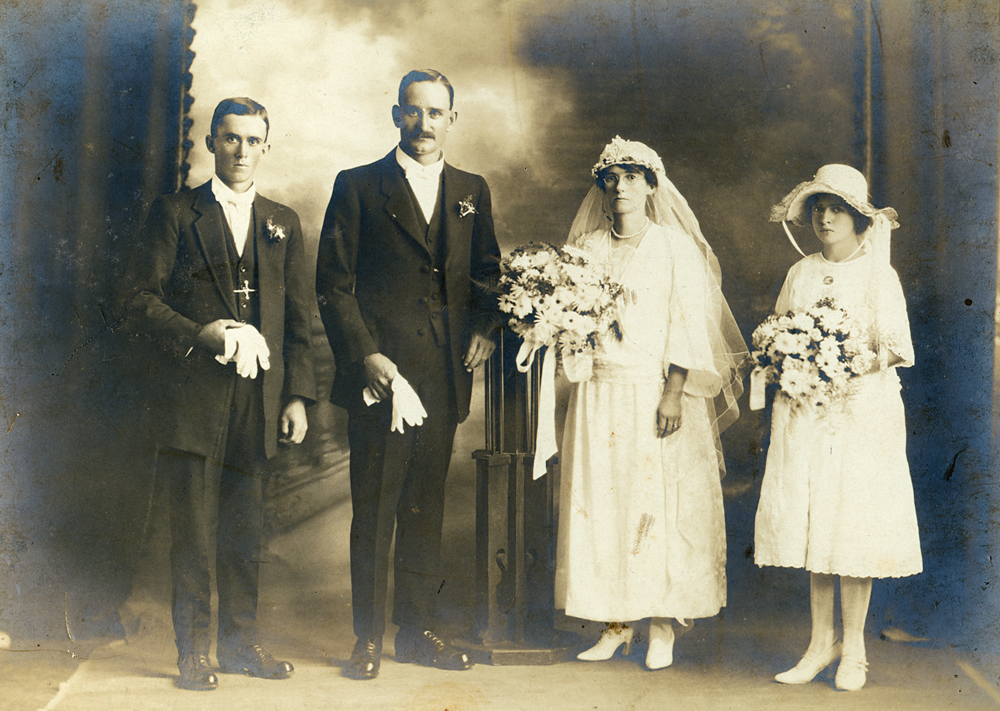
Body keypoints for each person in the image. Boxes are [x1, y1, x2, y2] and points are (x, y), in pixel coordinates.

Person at [316, 69, 501, 680]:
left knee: (425, 506)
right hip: (382, 377)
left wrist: (483, 328)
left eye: (437, 113)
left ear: (453, 118)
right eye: (414, 112)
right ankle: (366, 639)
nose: (425, 124)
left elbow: (487, 272)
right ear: (397, 116)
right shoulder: (358, 185)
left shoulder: (472, 188)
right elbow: (334, 286)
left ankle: (417, 631)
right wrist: (366, 355)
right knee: (374, 508)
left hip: (443, 376)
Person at [127, 97, 316, 691]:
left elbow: (298, 320)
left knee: (244, 529)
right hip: (193, 400)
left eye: (253, 140)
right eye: (230, 139)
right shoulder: (175, 213)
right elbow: (137, 301)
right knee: (195, 530)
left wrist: (298, 397)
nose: (241, 151)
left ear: (267, 145)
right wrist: (200, 334)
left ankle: (240, 646)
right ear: (211, 143)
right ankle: (194, 653)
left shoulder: (282, 221)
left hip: (259, 402)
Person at [551, 137, 749, 670]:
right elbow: (571, 320)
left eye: (633, 176)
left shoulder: (672, 248)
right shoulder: (587, 250)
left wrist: (673, 392)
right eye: (612, 177)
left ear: (652, 186)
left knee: (654, 504)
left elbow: (686, 323)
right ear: (601, 186)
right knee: (606, 500)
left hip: (654, 393)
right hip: (598, 394)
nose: (621, 186)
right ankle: (616, 622)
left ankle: (661, 625)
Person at [754, 164, 923, 691]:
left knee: (853, 522)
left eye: (837, 210)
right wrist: (789, 358)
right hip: (807, 411)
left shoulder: (879, 274)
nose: (825, 218)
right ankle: (818, 642)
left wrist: (840, 358)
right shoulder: (800, 273)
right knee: (815, 522)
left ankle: (854, 649)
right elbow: (778, 334)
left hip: (861, 413)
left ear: (857, 219)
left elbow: (897, 347)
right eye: (819, 210)